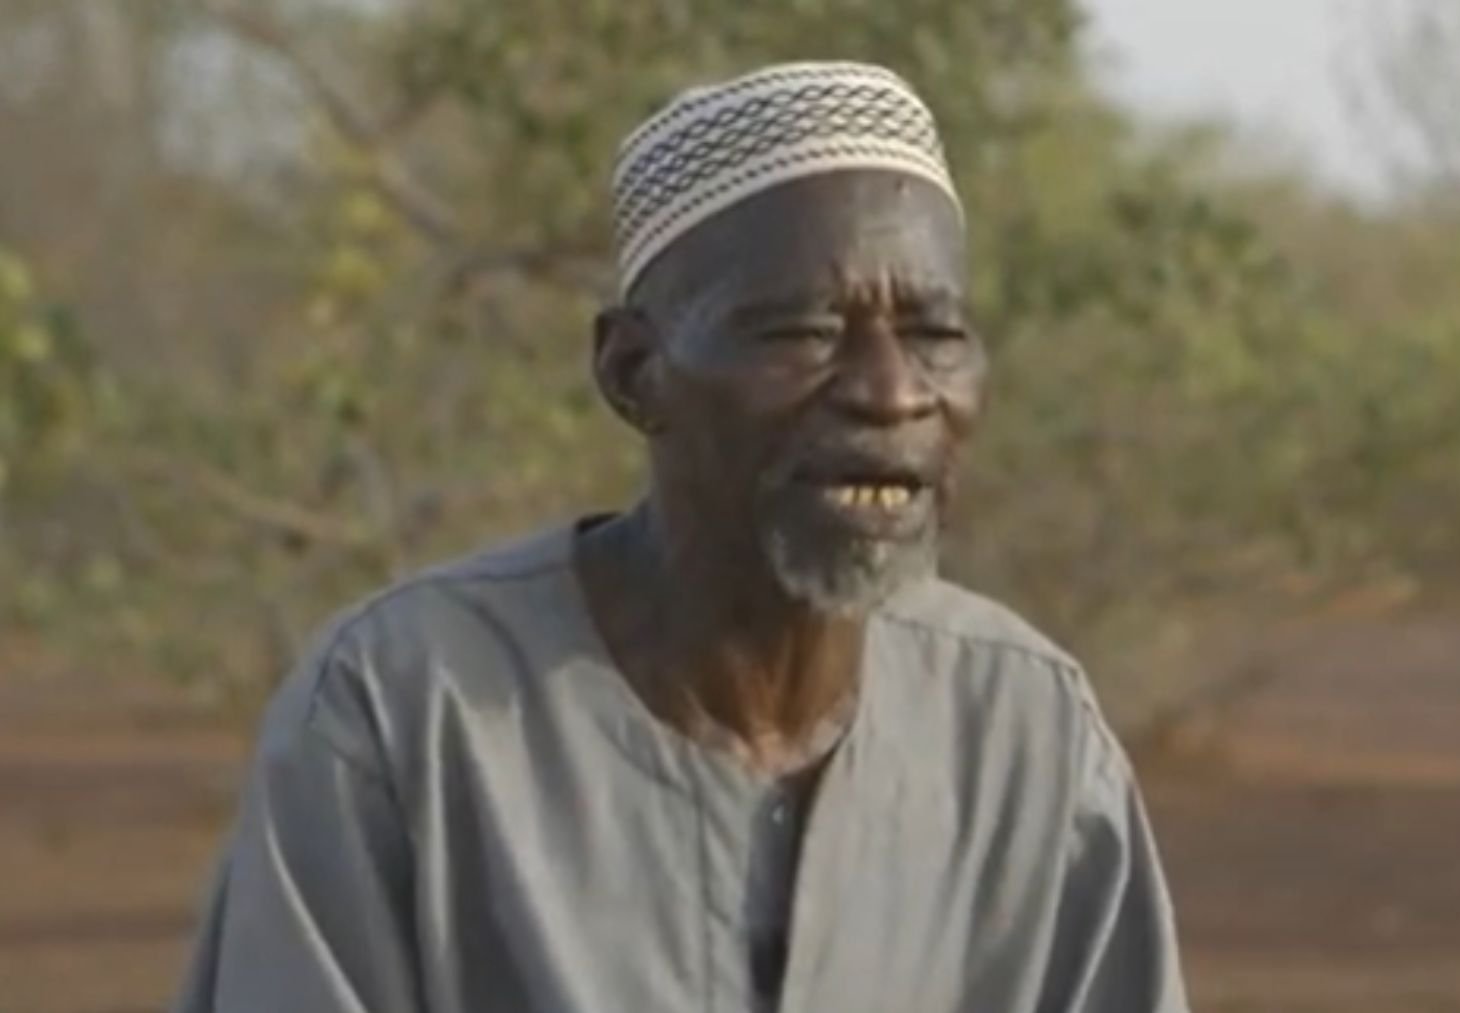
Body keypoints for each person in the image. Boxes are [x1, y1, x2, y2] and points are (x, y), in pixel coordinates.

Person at [172, 60, 1190, 1013]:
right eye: (802, 331)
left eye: (934, 334)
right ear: (633, 371)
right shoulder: (401, 714)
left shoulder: (1028, 732)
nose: (891, 391)